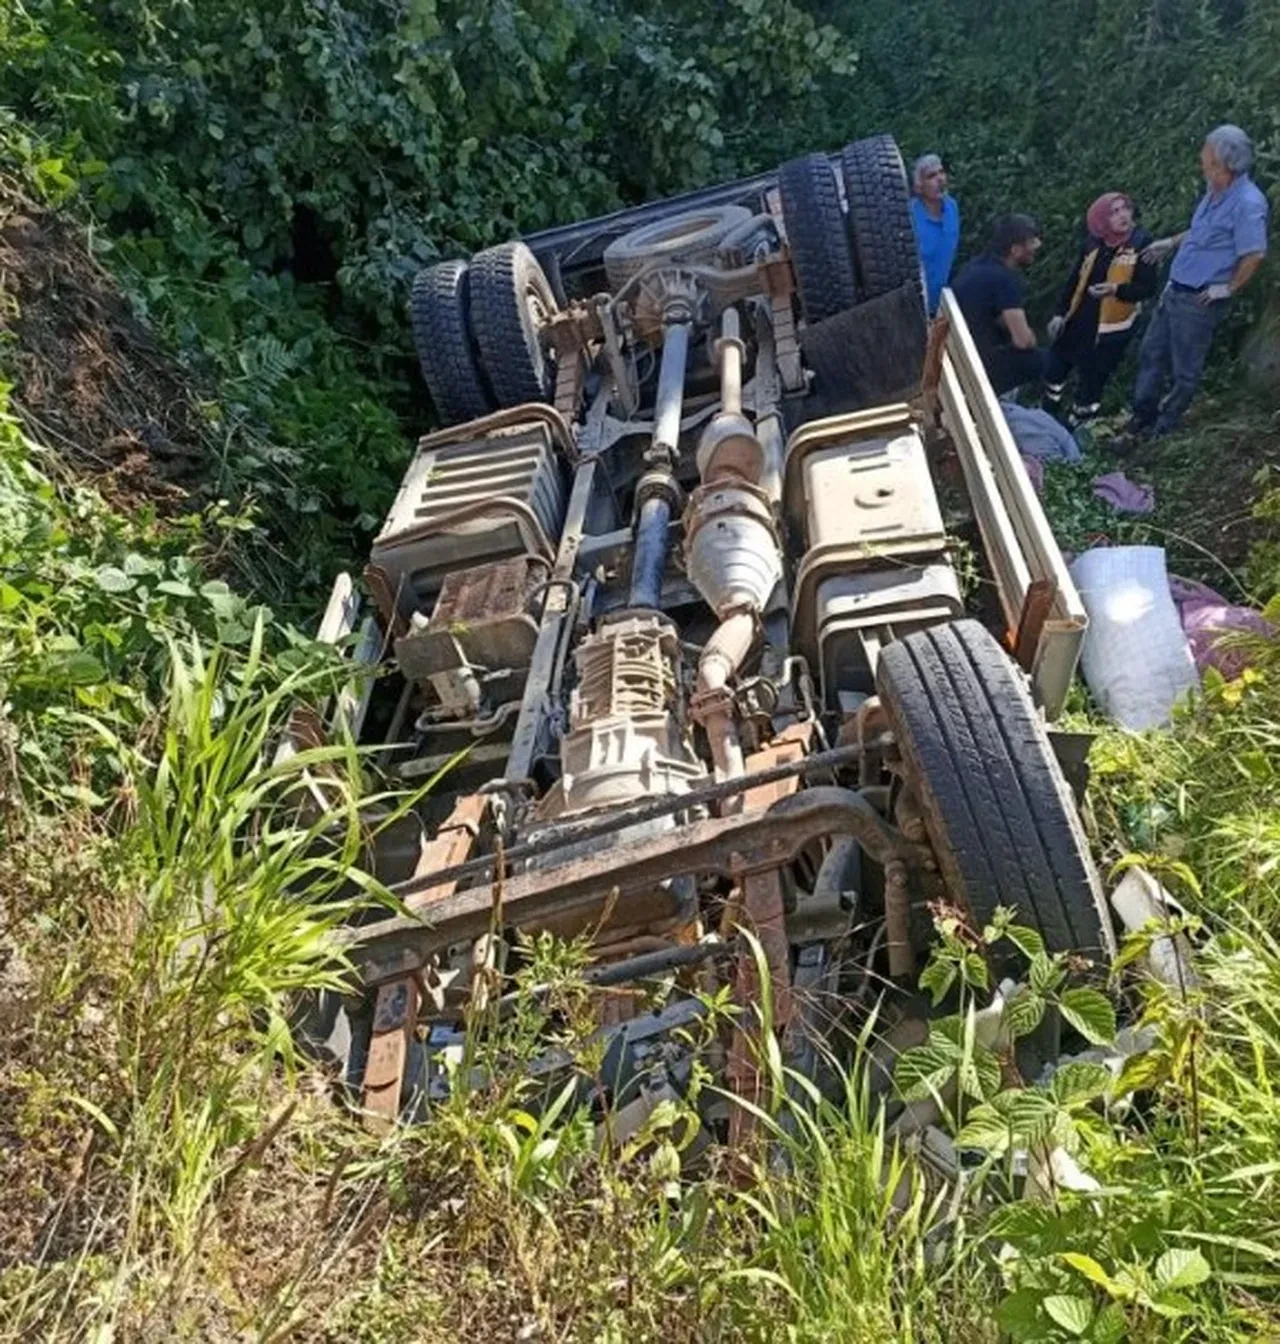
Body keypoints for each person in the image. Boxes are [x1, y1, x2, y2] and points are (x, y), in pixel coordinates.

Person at [1126, 124, 1269, 441]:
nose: (1202, 167)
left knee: (1184, 370)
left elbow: (1254, 254)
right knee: (1151, 353)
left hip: (1199, 301)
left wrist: (1227, 288)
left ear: (1225, 165)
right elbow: (1204, 233)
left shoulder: (1248, 203)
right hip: (1175, 290)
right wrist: (1171, 243)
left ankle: (1164, 427)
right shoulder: (1214, 192)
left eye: (1207, 163)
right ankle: (1142, 416)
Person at [1042, 192, 1158, 424]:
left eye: (1125, 209)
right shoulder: (1093, 243)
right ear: (1101, 220)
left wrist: (1116, 290)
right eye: (1114, 212)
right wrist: (1059, 314)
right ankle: (1047, 414)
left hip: (1110, 330)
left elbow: (1147, 287)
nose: (1123, 216)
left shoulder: (1142, 243)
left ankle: (1079, 424)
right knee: (1055, 369)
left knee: (1092, 380)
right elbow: (1074, 280)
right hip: (1078, 320)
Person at [951, 213, 1046, 394]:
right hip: (979, 365)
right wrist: (1031, 337)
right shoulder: (1005, 279)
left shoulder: (973, 266)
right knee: (1044, 361)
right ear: (1015, 250)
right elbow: (1023, 341)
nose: (1037, 246)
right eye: (1031, 243)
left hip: (957, 357)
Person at [910, 153, 960, 315]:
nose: (940, 179)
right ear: (919, 187)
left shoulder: (952, 207)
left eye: (941, 172)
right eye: (931, 176)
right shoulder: (908, 216)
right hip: (915, 306)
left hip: (942, 305)